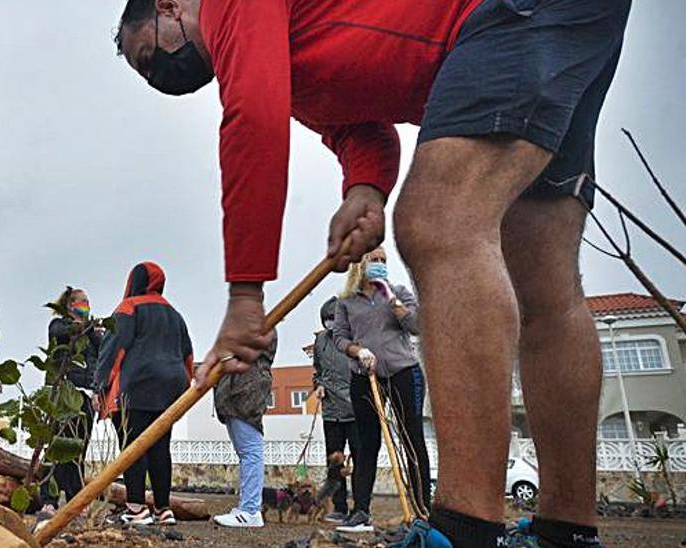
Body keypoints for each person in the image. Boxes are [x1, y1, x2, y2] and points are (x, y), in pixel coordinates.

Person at [114, 0, 628, 544]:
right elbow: (357, 127)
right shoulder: (289, 46)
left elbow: (254, 116)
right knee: (543, 284)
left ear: (169, 6)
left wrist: (246, 296)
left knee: (437, 220)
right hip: (558, 23)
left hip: (505, 15)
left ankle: (464, 532)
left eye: (148, 55)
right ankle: (566, 532)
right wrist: (365, 188)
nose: (156, 77)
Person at [331, 247, 428, 532]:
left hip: (403, 372)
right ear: (360, 264)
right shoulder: (346, 301)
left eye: (384, 261)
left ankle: (423, 509)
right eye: (375, 260)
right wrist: (357, 350)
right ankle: (360, 511)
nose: (381, 264)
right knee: (365, 444)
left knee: (412, 439)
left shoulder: (398, 292)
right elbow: (339, 336)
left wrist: (391, 298)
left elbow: (416, 325)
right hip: (365, 375)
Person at [95, 262, 193, 526]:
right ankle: (164, 509)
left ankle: (136, 509)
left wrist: (100, 386)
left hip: (136, 387)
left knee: (133, 447)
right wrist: (184, 390)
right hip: (169, 391)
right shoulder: (175, 314)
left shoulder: (129, 307)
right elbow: (187, 356)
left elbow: (114, 349)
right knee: (161, 449)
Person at [39, 287, 104, 516]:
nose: (87, 305)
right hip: (64, 393)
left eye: (88, 301)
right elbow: (63, 333)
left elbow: (99, 360)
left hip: (86, 395)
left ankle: (76, 499)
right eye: (82, 301)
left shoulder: (93, 334)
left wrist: (97, 391)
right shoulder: (59, 326)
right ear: (70, 305)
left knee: (78, 450)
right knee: (57, 447)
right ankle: (49, 499)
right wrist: (91, 327)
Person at [210, 344, 275, 528]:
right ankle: (246, 507)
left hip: (245, 392)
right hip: (235, 393)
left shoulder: (257, 326)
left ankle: (250, 510)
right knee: (246, 454)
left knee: (250, 453)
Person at [311, 296, 356, 524]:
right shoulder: (320, 342)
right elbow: (317, 371)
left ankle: (360, 507)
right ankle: (339, 507)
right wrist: (318, 385)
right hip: (331, 412)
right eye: (327, 319)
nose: (330, 323)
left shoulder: (355, 337)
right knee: (334, 463)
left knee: (359, 459)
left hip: (357, 410)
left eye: (334, 318)